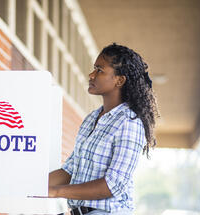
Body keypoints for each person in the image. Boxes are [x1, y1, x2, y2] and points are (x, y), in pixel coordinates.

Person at [48, 43, 159, 215]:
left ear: (119, 80)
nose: (91, 75)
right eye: (94, 69)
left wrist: (56, 191)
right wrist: (33, 184)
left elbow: (112, 184)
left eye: (100, 70)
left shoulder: (129, 123)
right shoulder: (91, 118)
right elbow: (70, 170)